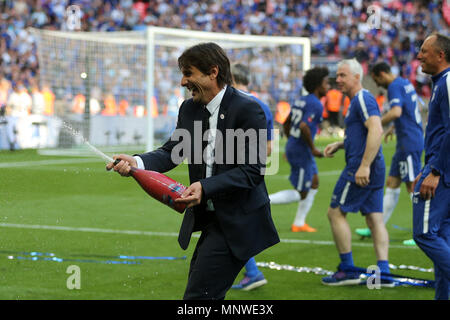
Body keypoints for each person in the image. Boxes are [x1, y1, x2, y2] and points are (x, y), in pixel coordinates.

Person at [106, 42, 280, 300]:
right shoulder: (189, 109)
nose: (182, 82)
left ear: (212, 72)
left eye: (188, 73)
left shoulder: (247, 109)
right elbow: (172, 151)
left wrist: (205, 187)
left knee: (197, 298)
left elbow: (252, 171)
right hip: (211, 219)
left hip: (239, 219)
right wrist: (137, 162)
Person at [321, 59, 392, 286]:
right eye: (337, 76)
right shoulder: (356, 101)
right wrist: (341, 145)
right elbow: (363, 132)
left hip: (360, 167)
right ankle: (384, 272)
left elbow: (376, 129)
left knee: (335, 213)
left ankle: (348, 270)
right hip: (373, 165)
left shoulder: (362, 98)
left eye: (342, 75)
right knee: (374, 219)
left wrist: (364, 165)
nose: (338, 80)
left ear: (356, 77)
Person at [355, 61, 424, 246]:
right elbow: (408, 109)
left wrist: (376, 123)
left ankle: (422, 233)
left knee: (412, 186)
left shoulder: (394, 86)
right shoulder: (404, 82)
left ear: (382, 74)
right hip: (406, 141)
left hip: (409, 142)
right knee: (392, 183)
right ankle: (376, 227)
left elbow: (396, 111)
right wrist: (394, 127)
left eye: (377, 80)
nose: (377, 84)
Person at [269, 67, 329, 233]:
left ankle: (300, 222)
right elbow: (304, 126)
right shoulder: (316, 104)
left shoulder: (301, 100)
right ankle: (264, 200)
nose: (329, 86)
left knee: (314, 182)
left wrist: (291, 143)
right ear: (318, 85)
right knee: (302, 192)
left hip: (296, 147)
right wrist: (313, 148)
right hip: (302, 151)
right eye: (326, 83)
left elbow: (287, 122)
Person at [413, 33, 450, 300]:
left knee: (424, 234)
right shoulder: (440, 84)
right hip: (441, 168)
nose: (418, 55)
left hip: (442, 171)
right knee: (443, 238)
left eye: (424, 51)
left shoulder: (447, 83)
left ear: (441, 55)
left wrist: (435, 170)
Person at [230, 63, 273, 291]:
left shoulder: (234, 104)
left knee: (231, 221)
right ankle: (251, 270)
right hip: (255, 172)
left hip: (234, 173)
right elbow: (269, 148)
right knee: (237, 221)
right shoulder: (264, 106)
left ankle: (253, 272)